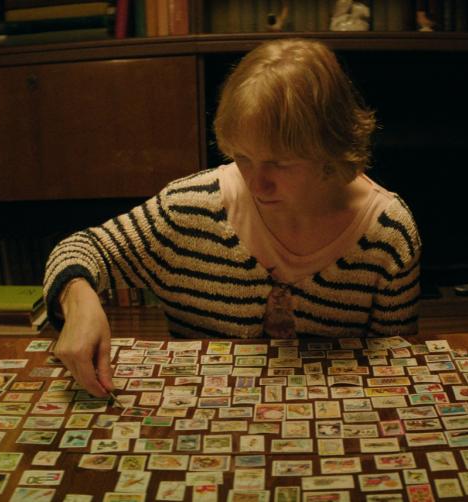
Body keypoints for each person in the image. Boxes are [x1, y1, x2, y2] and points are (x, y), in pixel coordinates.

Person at [43, 38, 421, 397]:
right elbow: (81, 248)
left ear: (331, 149)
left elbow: (392, 371)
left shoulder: (388, 232)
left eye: (280, 163)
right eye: (242, 157)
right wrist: (78, 300)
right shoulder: (189, 206)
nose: (257, 183)